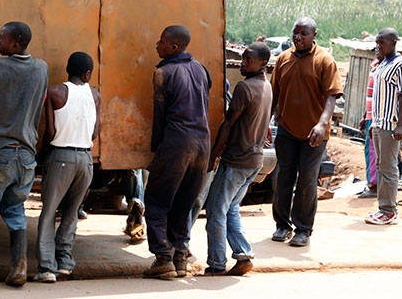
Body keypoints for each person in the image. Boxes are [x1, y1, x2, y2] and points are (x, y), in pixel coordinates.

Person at [0, 21, 49, 287]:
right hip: (26, 154)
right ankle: (19, 268)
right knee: (15, 209)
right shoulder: (42, 69)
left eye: (1, 38)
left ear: (15, 43)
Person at [142, 25, 211, 280]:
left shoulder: (163, 72)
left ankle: (162, 257)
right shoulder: (202, 70)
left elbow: (160, 117)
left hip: (177, 142)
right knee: (184, 203)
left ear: (173, 47)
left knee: (157, 200)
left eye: (161, 42)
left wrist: (157, 149)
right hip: (203, 144)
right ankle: (180, 257)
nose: (156, 46)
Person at [270, 16, 343, 247]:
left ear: (314, 35)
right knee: (282, 178)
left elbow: (331, 96)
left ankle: (303, 229)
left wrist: (322, 124)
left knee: (307, 181)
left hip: (314, 134)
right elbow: (274, 95)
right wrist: (265, 124)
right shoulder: (283, 59)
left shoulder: (325, 61)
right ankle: (282, 225)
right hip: (287, 130)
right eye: (295, 33)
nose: (298, 37)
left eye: (304, 33)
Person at [202, 42, 272, 276]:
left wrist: (213, 155)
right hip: (254, 160)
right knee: (230, 208)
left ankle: (216, 264)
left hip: (237, 161)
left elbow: (228, 124)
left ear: (262, 63)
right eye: (242, 58)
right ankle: (243, 254)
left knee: (215, 210)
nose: (242, 63)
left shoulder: (244, 87)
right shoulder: (266, 86)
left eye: (247, 60)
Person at [33, 51, 99, 283]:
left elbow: (50, 132)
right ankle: (65, 262)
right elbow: (94, 133)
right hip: (86, 159)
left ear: (68, 70)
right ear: (88, 73)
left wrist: (40, 157)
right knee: (71, 213)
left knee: (49, 212)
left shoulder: (55, 92)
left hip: (61, 156)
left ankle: (47, 267)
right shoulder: (95, 95)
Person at [365, 28, 402, 226]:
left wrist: (400, 125)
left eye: (382, 42)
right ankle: (383, 208)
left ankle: (389, 211)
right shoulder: (382, 64)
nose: (378, 46)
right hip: (378, 122)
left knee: (389, 167)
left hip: (390, 125)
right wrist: (369, 119)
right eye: (377, 42)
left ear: (393, 42)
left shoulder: (401, 65)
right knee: (381, 165)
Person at [357, 50, 383, 199]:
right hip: (370, 116)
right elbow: (371, 96)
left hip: (377, 118)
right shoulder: (375, 66)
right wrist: (364, 116)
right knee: (369, 150)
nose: (378, 50)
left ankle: (374, 186)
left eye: (381, 46)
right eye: (376, 47)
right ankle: (372, 183)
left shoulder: (386, 68)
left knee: (374, 152)